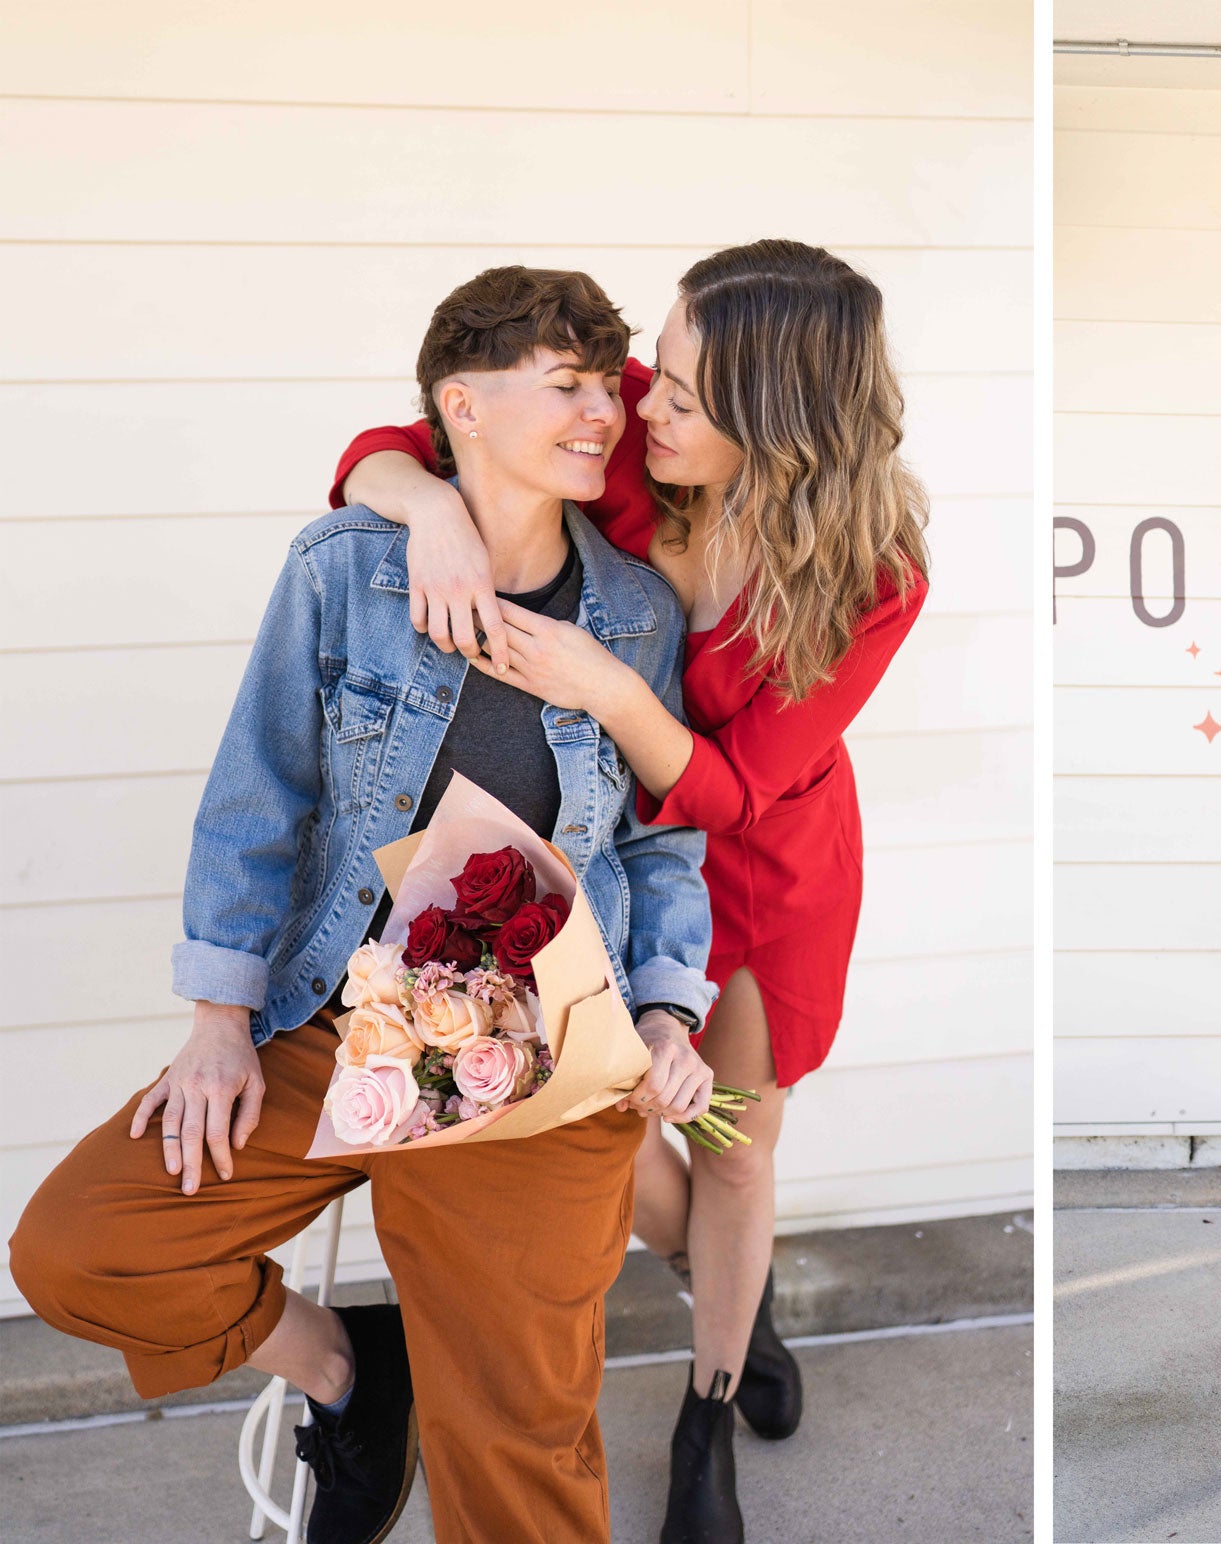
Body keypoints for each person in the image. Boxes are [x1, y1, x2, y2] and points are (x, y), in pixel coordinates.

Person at [10, 266, 718, 1544]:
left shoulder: (635, 611)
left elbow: (661, 843)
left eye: (603, 387)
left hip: (538, 1047)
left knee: (519, 1441)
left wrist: (666, 1011)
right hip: (334, 1013)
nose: (601, 414)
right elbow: (257, 795)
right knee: (84, 1244)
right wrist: (220, 1019)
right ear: (459, 402)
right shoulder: (345, 567)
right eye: (563, 385)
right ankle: (351, 1370)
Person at [328, 238, 930, 1543]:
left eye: (682, 393)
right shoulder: (646, 468)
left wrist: (605, 684)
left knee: (729, 1146)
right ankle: (734, 1296)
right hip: (598, 850)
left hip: (765, 877)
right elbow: (397, 435)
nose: (638, 400)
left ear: (778, 425)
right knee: (603, 1104)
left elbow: (727, 792)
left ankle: (707, 1406)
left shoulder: (874, 579)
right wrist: (428, 506)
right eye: (654, 368)